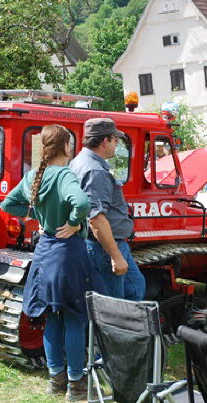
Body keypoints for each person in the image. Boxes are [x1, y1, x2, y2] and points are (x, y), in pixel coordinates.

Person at [0, 125, 102, 401]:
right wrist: (72, 223)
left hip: (44, 254)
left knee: (52, 318)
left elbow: (7, 205)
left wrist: (36, 216)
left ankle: (55, 382)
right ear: (66, 148)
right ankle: (76, 385)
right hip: (67, 253)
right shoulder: (64, 174)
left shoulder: (35, 175)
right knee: (74, 318)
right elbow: (81, 202)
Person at [69, 118, 145, 301]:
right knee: (112, 304)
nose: (117, 142)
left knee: (135, 287)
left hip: (105, 244)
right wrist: (115, 256)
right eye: (114, 138)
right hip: (105, 247)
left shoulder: (79, 162)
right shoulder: (95, 171)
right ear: (105, 141)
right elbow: (96, 219)